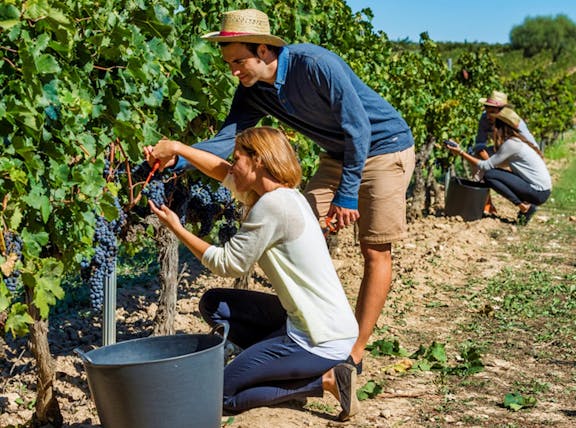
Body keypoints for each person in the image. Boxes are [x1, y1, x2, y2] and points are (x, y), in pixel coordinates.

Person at [147, 8, 415, 374]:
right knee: (298, 224)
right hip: (337, 154)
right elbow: (227, 139)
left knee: (374, 248)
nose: (234, 71)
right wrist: (175, 162)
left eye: (239, 61)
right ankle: (313, 330)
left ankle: (353, 355)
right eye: (229, 63)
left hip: (383, 146)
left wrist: (348, 193)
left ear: (265, 51)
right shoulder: (252, 90)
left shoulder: (317, 65)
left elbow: (358, 127)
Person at [145, 127, 360, 420]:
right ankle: (264, 365)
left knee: (217, 395)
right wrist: (178, 149)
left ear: (258, 159)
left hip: (319, 339)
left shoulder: (272, 207)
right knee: (214, 303)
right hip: (320, 322)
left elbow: (227, 265)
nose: (231, 166)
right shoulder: (287, 196)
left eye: (237, 159)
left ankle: (324, 380)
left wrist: (178, 229)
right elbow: (223, 173)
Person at [445, 108, 551, 224]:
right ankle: (525, 206)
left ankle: (524, 206)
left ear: (500, 127)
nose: (492, 129)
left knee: (490, 175)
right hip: (541, 190)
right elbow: (499, 164)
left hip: (538, 192)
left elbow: (486, 166)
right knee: (493, 173)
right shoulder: (516, 142)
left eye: (494, 125)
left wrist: (460, 152)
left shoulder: (511, 144)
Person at [470, 90, 539, 215]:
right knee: (477, 161)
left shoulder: (514, 121)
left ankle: (526, 204)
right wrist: (486, 159)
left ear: (502, 111)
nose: (487, 115)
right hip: (500, 150)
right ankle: (486, 204)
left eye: (492, 112)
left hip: (517, 152)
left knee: (517, 176)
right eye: (486, 110)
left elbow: (531, 144)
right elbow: (479, 143)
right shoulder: (484, 119)